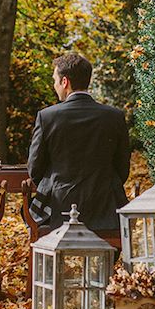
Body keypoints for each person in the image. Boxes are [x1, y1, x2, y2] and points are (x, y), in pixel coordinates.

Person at [27, 52, 130, 230]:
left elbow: (35, 168)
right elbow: (122, 168)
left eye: (54, 80)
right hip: (105, 208)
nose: (54, 85)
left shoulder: (47, 117)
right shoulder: (114, 116)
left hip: (58, 208)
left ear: (64, 82)